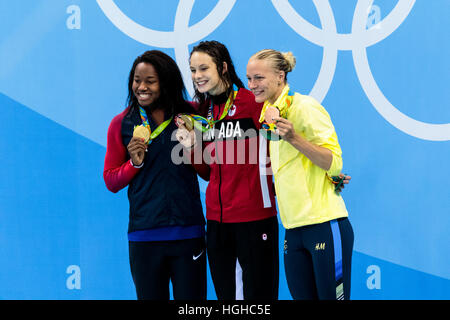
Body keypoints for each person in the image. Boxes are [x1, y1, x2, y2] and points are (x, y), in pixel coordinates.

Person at [246, 49, 354, 300]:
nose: (252, 85)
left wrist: (294, 138)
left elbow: (334, 163)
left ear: (280, 76)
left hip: (325, 224)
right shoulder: (268, 115)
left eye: (259, 78)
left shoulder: (305, 107)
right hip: (293, 230)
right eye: (249, 79)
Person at [177, 40, 280, 300]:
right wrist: (191, 147)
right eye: (192, 70)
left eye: (203, 68)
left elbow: (283, 152)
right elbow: (206, 172)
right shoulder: (203, 114)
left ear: (222, 67)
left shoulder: (254, 104)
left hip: (254, 219)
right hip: (217, 223)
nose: (197, 76)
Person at [103, 50, 206, 300]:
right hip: (144, 236)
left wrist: (193, 147)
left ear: (167, 81)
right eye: (137, 80)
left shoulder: (191, 116)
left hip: (188, 234)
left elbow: (208, 173)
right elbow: (111, 180)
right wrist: (134, 165)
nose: (141, 87)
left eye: (150, 81)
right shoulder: (122, 124)